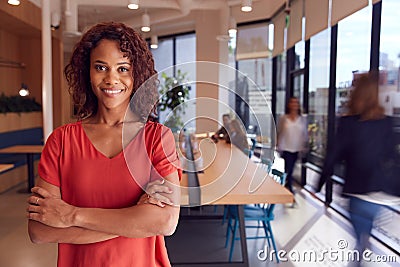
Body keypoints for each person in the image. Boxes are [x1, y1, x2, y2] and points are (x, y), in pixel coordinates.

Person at [26, 22, 181, 267]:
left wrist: (71, 215)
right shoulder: (62, 140)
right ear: (86, 71)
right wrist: (135, 221)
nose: (111, 79)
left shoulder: (157, 139)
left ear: (136, 74)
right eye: (101, 67)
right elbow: (39, 231)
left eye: (123, 69)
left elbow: (166, 222)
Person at [317, 72, 396, 257]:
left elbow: (334, 155)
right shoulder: (386, 123)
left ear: (356, 94)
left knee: (360, 237)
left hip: (357, 191)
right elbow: (392, 155)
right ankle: (362, 247)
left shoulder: (348, 123)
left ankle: (360, 252)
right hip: (378, 192)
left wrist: (319, 183)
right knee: (364, 234)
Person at [277, 97, 308, 193]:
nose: (294, 105)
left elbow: (305, 133)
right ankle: (289, 186)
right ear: (289, 105)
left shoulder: (302, 119)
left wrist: (305, 145)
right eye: (292, 102)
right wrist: (278, 144)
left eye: (296, 103)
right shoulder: (283, 118)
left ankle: (287, 184)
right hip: (286, 147)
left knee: (291, 167)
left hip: (297, 147)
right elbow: (280, 132)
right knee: (288, 167)